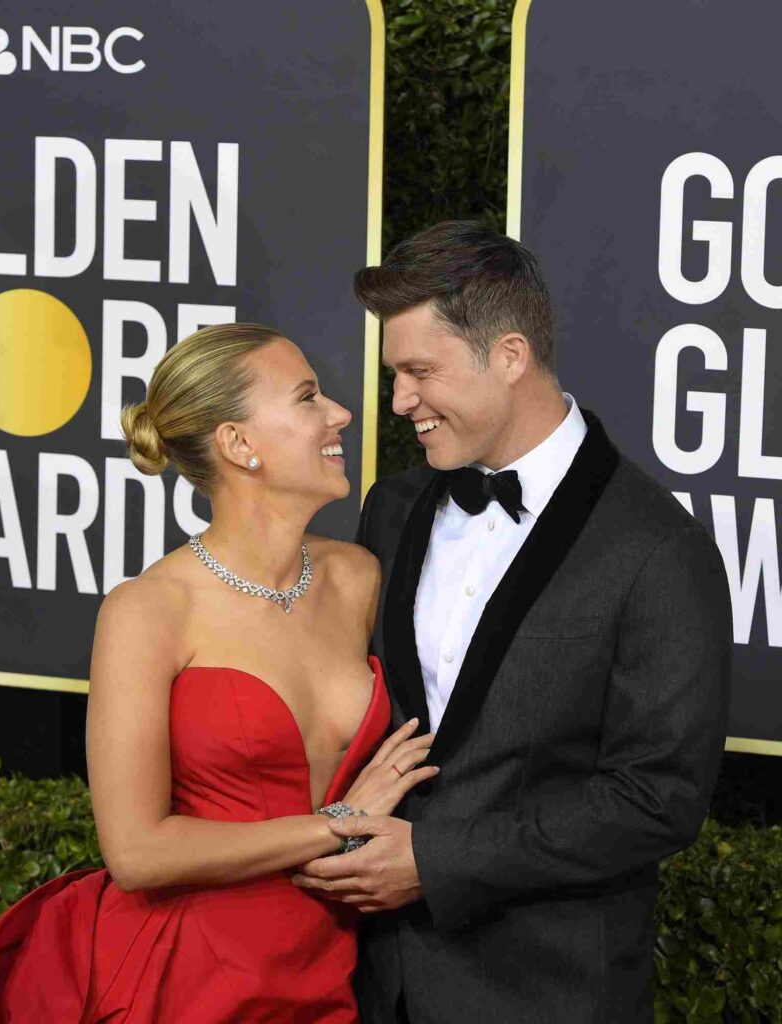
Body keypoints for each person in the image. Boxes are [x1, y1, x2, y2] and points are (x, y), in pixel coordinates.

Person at [291, 221, 734, 1023]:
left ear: (509, 355)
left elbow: (657, 797)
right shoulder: (392, 508)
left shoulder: (657, 549)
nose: (398, 402)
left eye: (419, 371)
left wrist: (437, 859)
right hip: (372, 982)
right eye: (395, 375)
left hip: (544, 992)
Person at [0, 323, 436, 1023]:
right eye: (307, 398)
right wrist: (340, 824)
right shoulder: (148, 611)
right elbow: (138, 852)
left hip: (329, 968)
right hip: (181, 976)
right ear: (239, 445)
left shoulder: (358, 578)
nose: (340, 414)